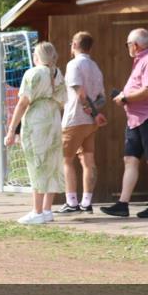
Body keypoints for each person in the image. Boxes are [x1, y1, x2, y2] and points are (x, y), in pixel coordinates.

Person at [102, 28, 148, 219]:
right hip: (135, 119)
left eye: (128, 44)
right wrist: (126, 99)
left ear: (135, 45)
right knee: (130, 159)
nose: (127, 48)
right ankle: (123, 203)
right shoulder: (141, 60)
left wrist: (125, 98)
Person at [4, 41, 66, 224]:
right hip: (54, 119)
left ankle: (37, 211)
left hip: (37, 122)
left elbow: (23, 102)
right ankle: (47, 210)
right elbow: (63, 101)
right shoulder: (57, 73)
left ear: (37, 56)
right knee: (53, 164)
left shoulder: (33, 73)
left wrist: (11, 129)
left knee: (37, 164)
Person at [58, 32, 106, 214]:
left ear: (76, 44)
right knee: (88, 161)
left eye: (71, 43)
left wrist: (90, 110)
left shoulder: (73, 65)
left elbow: (80, 92)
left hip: (74, 119)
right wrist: (95, 113)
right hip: (90, 123)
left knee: (66, 160)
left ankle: (72, 202)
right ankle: (87, 203)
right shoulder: (95, 67)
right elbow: (102, 98)